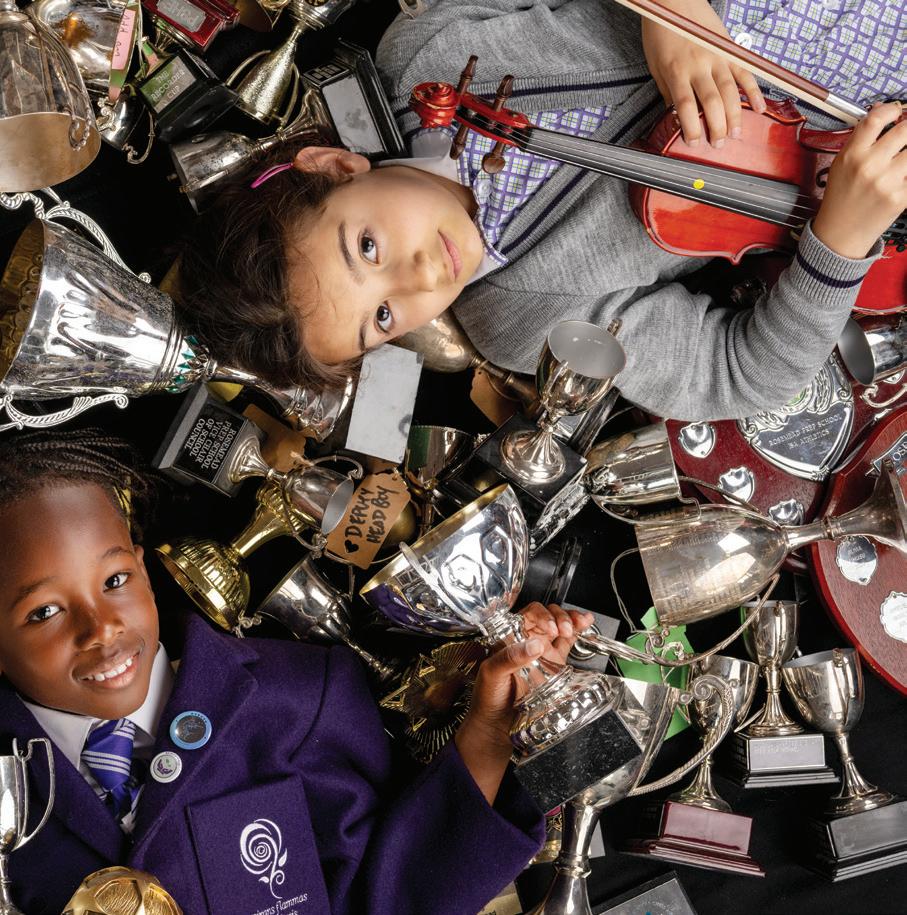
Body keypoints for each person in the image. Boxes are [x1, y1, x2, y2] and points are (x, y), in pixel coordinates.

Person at [175, 0, 907, 421]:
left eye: (367, 248)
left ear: (334, 167)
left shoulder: (426, 54)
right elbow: (740, 374)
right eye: (385, 317)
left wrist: (668, 10)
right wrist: (839, 241)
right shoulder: (526, 322)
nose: (420, 277)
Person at [0, 428, 591, 915]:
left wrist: (488, 733)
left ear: (142, 568)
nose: (101, 628)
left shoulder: (303, 696)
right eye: (44, 611)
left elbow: (398, 894)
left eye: (114, 581)